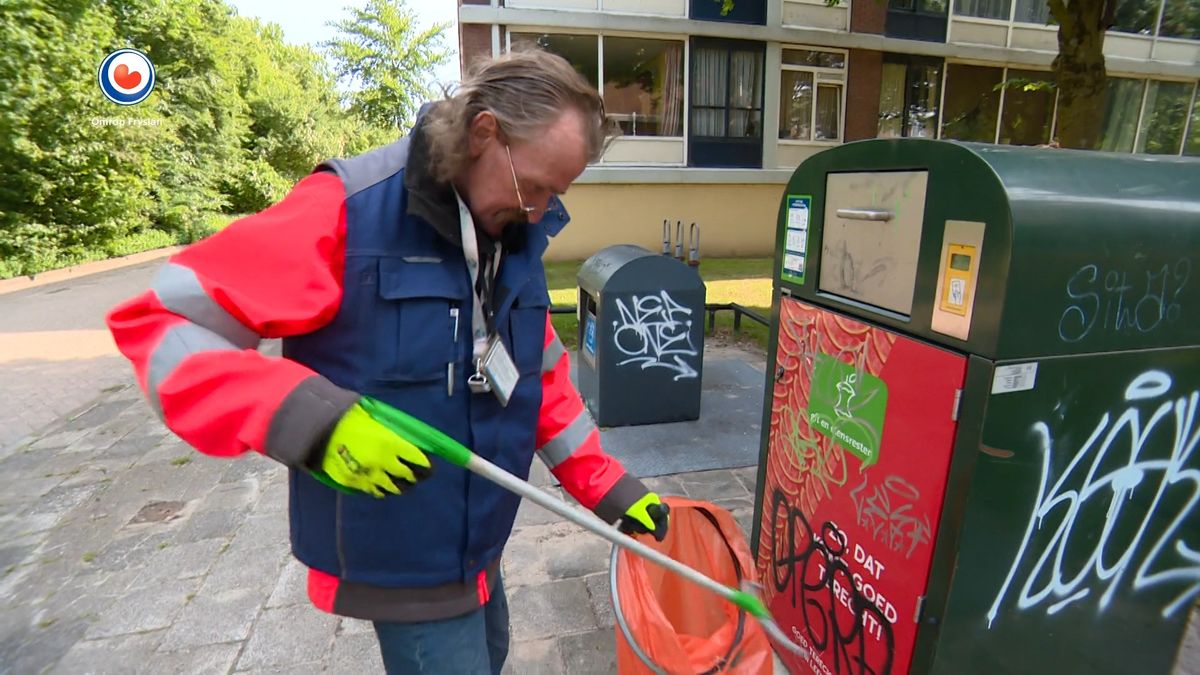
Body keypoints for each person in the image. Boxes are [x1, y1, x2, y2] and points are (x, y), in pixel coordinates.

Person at [106, 49, 670, 674]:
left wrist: (610, 488)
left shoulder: (512, 229)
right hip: (409, 556)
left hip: (479, 541)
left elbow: (535, 375)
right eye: (532, 186)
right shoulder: (347, 208)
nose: (538, 211)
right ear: (484, 132)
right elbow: (166, 323)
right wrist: (314, 421)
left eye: (554, 194)